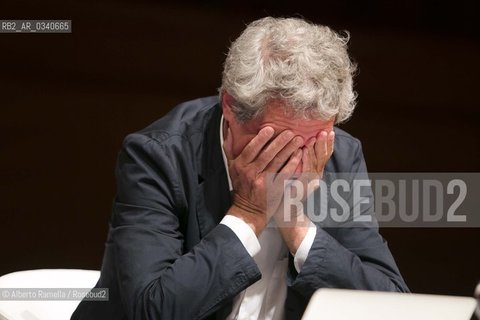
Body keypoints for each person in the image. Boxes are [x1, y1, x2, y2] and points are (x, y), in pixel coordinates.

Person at [71, 17, 409, 320]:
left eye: (310, 142)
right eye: (278, 143)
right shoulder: (159, 157)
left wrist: (297, 224)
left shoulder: (337, 155)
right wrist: (248, 213)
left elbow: (391, 305)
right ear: (231, 108)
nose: (296, 163)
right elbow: (151, 310)